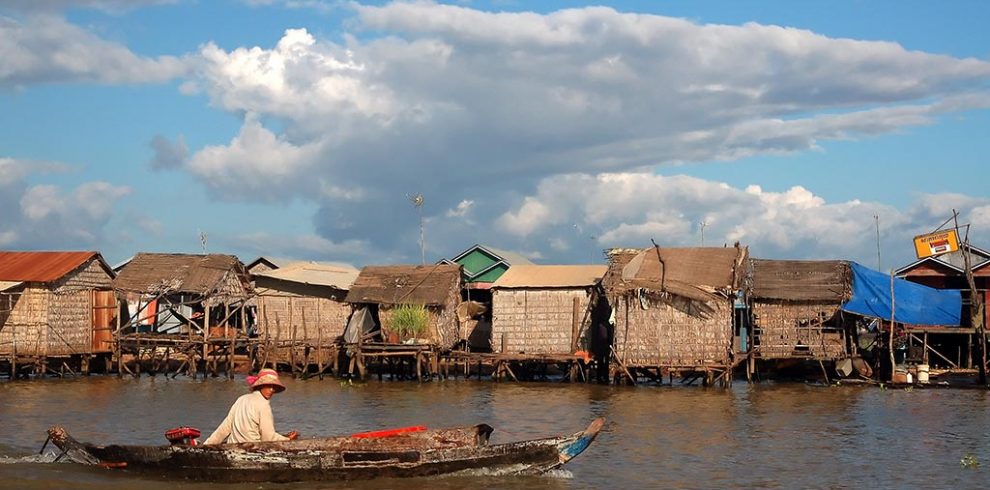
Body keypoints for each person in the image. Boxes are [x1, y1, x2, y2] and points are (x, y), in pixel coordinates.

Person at [204, 368, 299, 444]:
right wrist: (288, 440)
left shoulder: (241, 399)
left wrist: (207, 444)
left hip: (233, 448)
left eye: (274, 387)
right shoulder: (263, 404)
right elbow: (268, 437)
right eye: (268, 385)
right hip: (252, 449)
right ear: (261, 385)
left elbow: (224, 428)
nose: (271, 390)